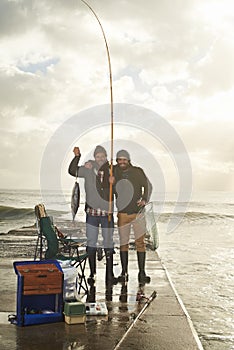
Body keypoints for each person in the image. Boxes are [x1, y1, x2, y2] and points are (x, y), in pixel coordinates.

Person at [68, 145, 117, 286]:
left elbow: (121, 186)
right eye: (98, 156)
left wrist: (115, 182)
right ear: (95, 157)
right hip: (92, 213)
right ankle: (93, 273)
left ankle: (110, 274)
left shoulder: (112, 170)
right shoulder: (88, 169)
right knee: (91, 243)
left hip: (107, 213)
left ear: (106, 157)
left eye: (103, 156)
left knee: (108, 243)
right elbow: (72, 171)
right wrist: (77, 157)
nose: (100, 159)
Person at [112, 149, 152, 284]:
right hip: (123, 213)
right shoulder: (114, 171)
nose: (122, 162)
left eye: (124, 159)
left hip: (138, 213)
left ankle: (142, 272)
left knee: (140, 243)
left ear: (129, 160)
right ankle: (124, 272)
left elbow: (148, 186)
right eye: (119, 159)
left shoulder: (137, 171)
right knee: (123, 243)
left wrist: (144, 199)